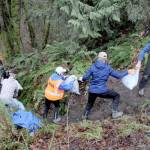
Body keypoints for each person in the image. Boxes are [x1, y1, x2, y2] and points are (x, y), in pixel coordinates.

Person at [80, 52, 134, 119]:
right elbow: (119, 76)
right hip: (102, 91)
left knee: (90, 103)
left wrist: (81, 78)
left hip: (92, 90)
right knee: (116, 96)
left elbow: (85, 78)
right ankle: (115, 113)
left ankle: (84, 116)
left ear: (98, 58)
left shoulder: (92, 67)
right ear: (105, 59)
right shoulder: (107, 68)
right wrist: (127, 72)